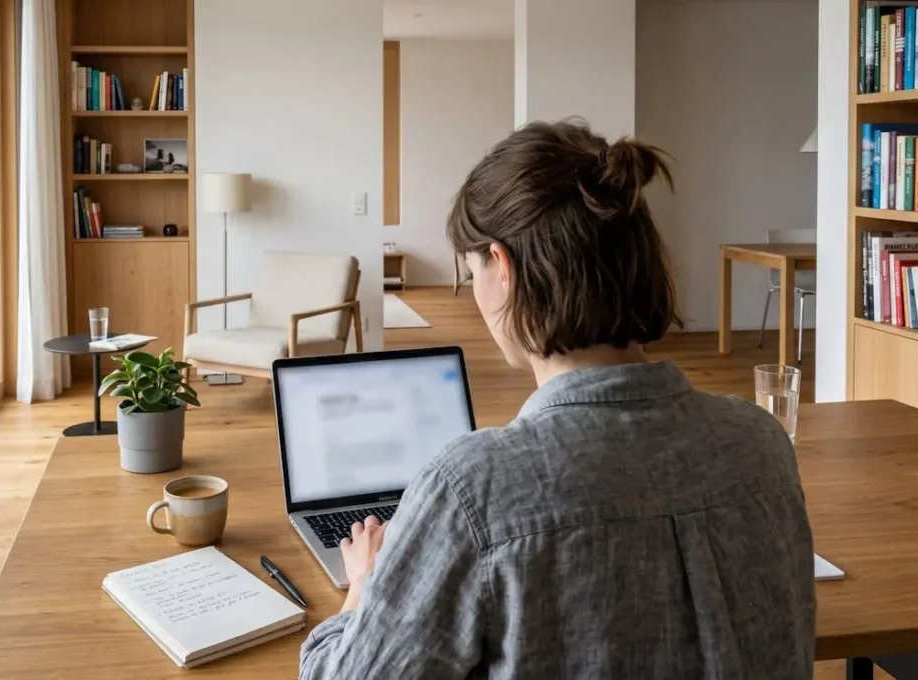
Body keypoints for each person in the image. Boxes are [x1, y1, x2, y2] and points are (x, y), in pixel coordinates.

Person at [298, 119, 816, 679]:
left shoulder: (473, 489)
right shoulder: (762, 443)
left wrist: (366, 589)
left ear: (503, 267)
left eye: (470, 271)